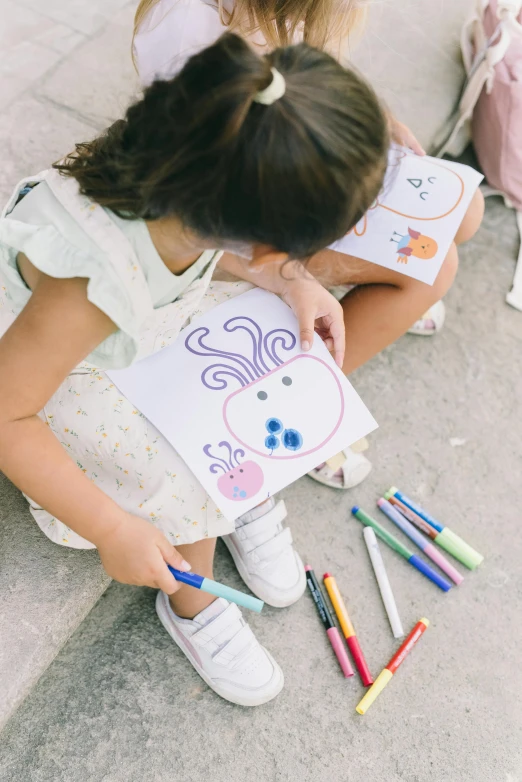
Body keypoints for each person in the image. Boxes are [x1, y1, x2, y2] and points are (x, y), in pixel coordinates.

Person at [0, 35, 389, 706]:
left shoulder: (198, 157)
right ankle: (194, 599)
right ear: (257, 232)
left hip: (129, 318)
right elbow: (8, 412)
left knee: (252, 346)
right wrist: (113, 528)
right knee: (181, 468)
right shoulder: (85, 290)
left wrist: (292, 281)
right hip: (55, 364)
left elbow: (202, 256)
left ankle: (239, 493)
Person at [132, 0, 485, 491]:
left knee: (464, 211)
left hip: (287, 172)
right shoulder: (188, 32)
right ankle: (298, 401)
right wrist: (288, 275)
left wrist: (372, 120)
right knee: (434, 267)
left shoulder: (275, 13)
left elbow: (309, 68)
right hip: (242, 220)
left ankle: (384, 287)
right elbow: (190, 215)